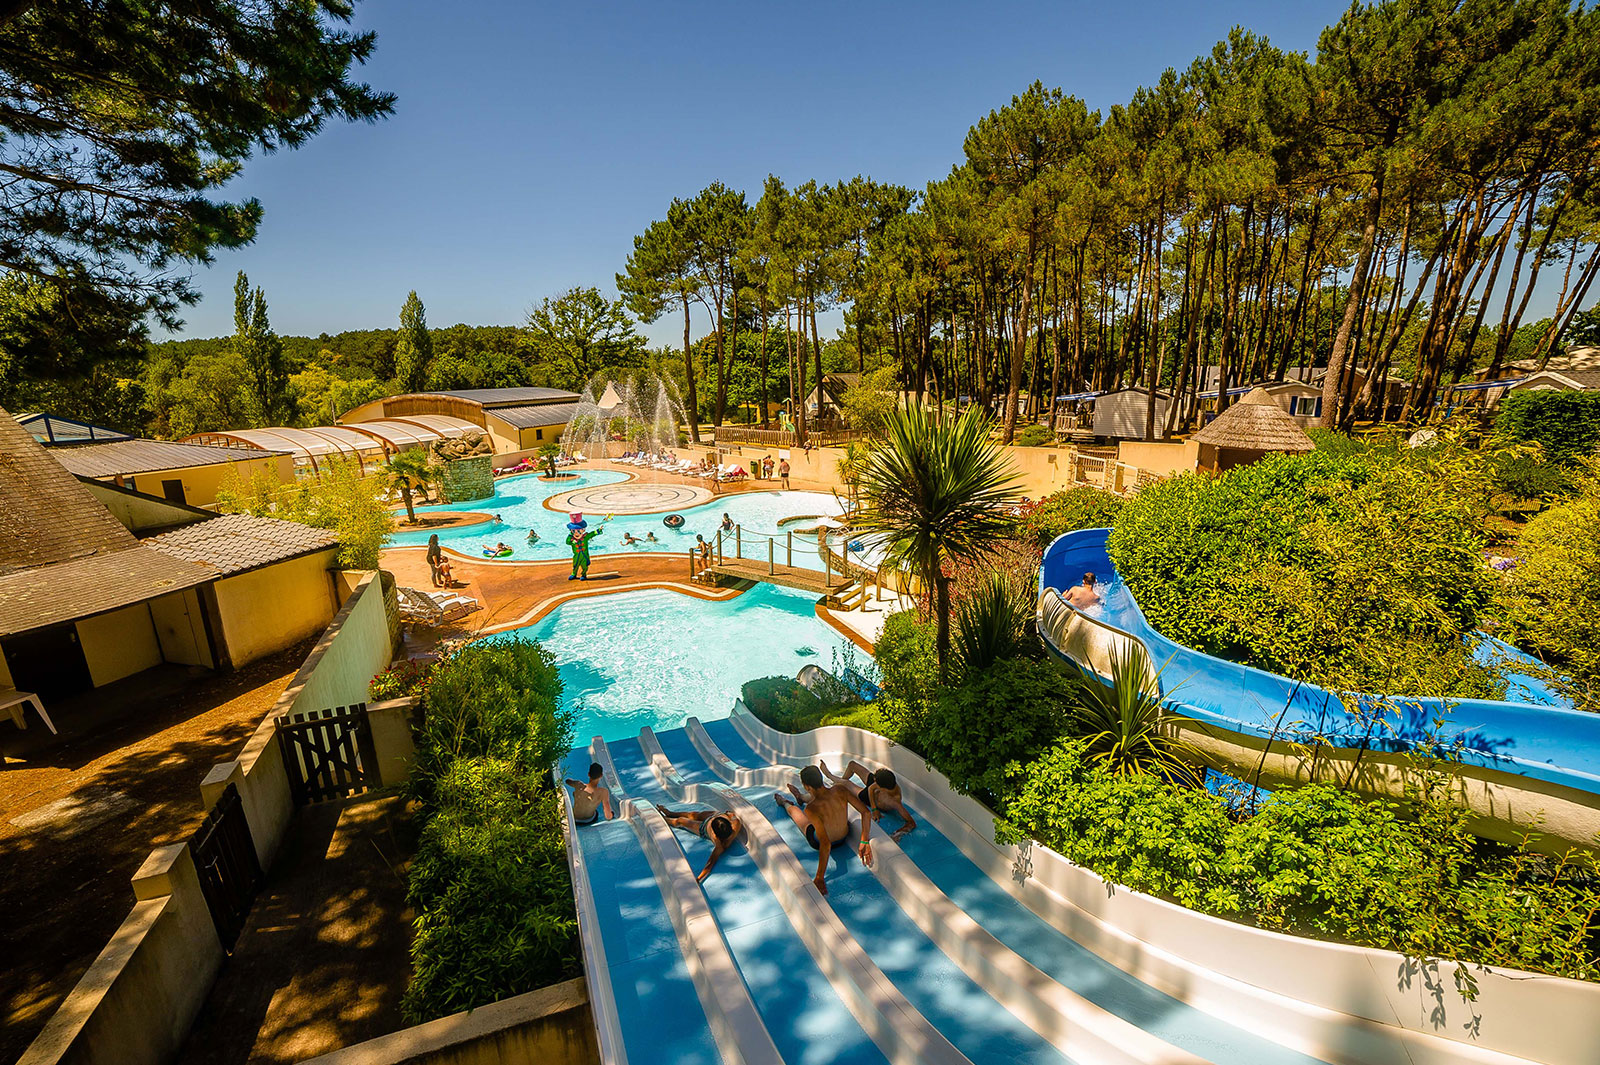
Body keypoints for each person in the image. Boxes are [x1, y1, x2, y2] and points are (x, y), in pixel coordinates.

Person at [773, 765, 873, 896]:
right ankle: (801, 797)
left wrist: (819, 877)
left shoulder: (811, 809)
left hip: (820, 842)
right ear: (820, 778)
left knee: (800, 819)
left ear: (807, 786)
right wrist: (864, 841)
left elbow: (825, 843)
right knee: (823, 798)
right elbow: (866, 813)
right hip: (844, 835)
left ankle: (785, 803)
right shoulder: (840, 790)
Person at [821, 760, 917, 841]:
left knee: (846, 784)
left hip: (867, 797)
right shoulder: (888, 783)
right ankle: (838, 784)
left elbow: (911, 823)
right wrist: (874, 810)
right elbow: (871, 788)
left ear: (881, 787)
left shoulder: (894, 802)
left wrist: (898, 834)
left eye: (876, 782)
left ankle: (829, 776)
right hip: (875, 794)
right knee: (852, 765)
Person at [656, 805, 743, 882]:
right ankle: (670, 813)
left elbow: (710, 864)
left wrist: (698, 879)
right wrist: (729, 814)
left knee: (681, 821)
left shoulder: (719, 844)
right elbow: (733, 816)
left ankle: (664, 819)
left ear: (715, 834)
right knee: (693, 814)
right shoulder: (736, 824)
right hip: (718, 816)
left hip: (705, 826)